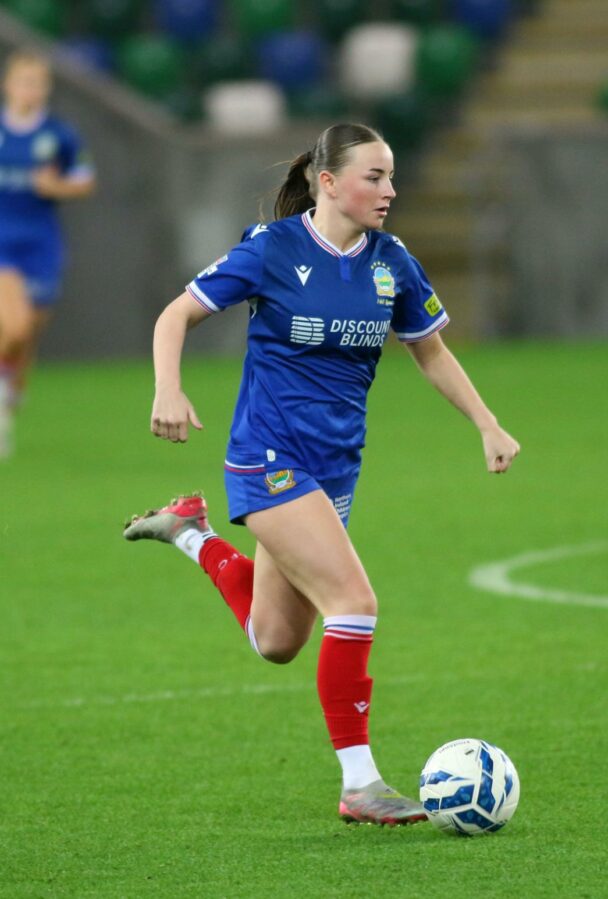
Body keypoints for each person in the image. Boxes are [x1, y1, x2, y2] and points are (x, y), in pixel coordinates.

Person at [124, 123, 520, 825]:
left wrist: (486, 422)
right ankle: (360, 784)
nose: (390, 190)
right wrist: (168, 388)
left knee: (276, 641)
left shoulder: (393, 263)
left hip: (336, 466)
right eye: (375, 176)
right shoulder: (271, 249)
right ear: (328, 183)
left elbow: (430, 350)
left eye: (392, 176)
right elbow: (174, 315)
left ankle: (189, 533)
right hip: (268, 456)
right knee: (354, 601)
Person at [0, 50, 96, 458]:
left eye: (38, 83)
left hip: (41, 244)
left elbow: (85, 180)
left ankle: (9, 393)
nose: (31, 90)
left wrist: (57, 187)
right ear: (8, 85)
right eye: (24, 81)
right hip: (3, 243)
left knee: (30, 334)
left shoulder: (59, 135)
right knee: (16, 327)